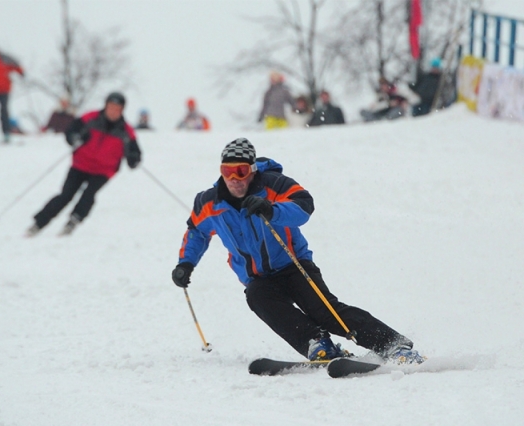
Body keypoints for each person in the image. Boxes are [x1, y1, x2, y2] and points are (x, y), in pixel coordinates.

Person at [171, 138, 424, 364]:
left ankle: (393, 344)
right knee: (257, 298)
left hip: (294, 265)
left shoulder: (273, 185)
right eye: (227, 171)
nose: (234, 179)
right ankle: (316, 343)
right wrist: (186, 264)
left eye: (241, 171)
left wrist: (272, 210)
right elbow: (196, 231)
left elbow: (304, 206)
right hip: (258, 278)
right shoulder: (209, 201)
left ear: (252, 170)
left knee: (326, 312)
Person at [26, 92, 142, 237]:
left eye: (117, 109)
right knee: (66, 195)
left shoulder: (126, 132)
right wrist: (75, 138)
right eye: (110, 107)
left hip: (104, 170)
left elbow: (135, 153)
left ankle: (74, 220)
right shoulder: (90, 118)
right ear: (105, 106)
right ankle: (38, 223)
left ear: (122, 110)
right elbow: (71, 131)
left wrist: (133, 159)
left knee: (89, 193)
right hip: (80, 164)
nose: (113, 111)